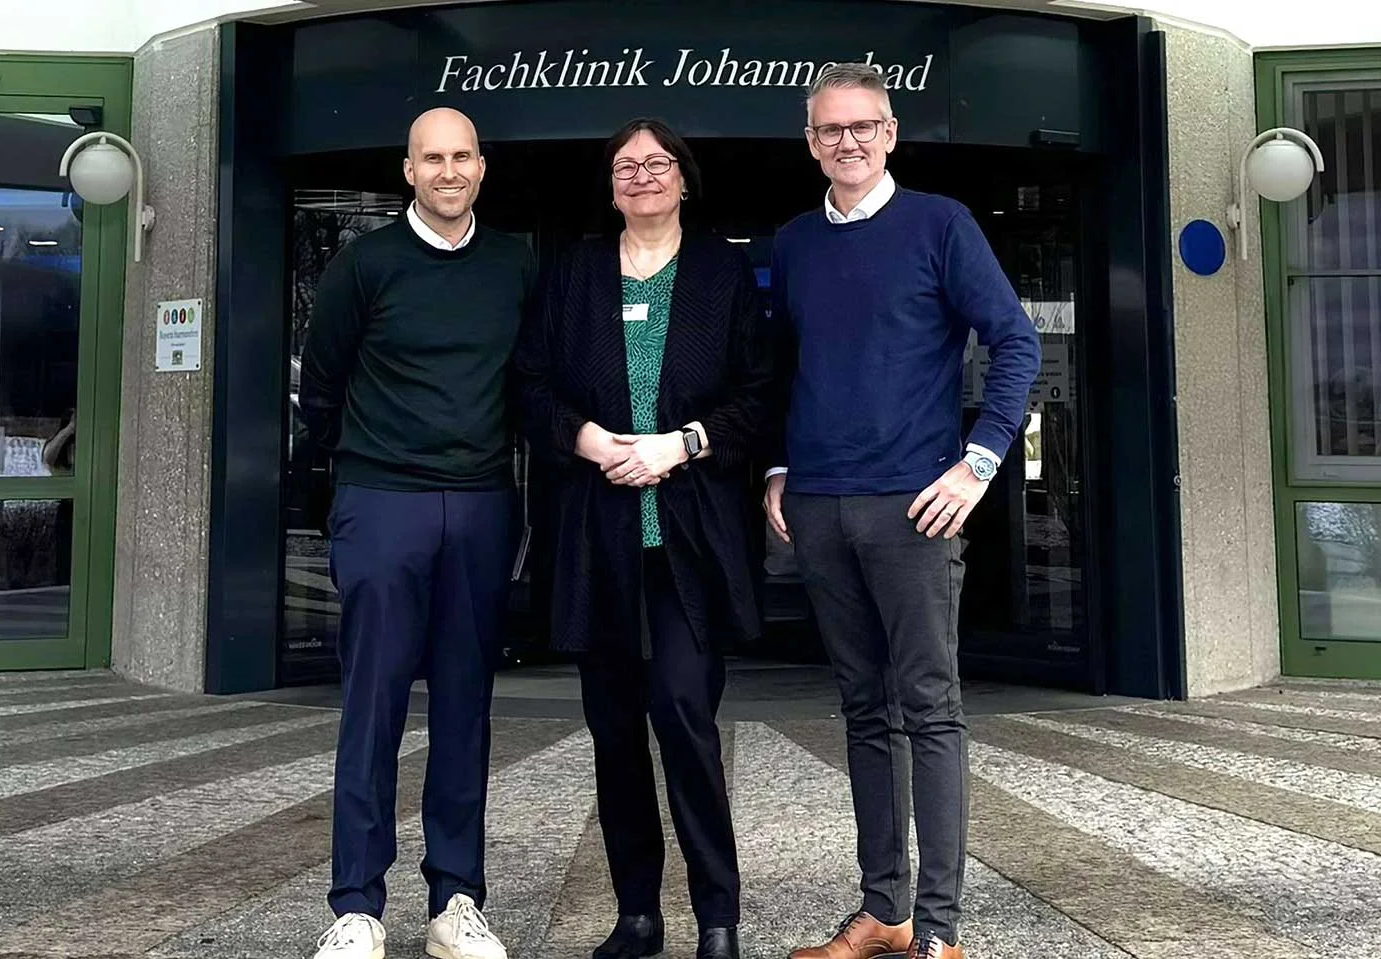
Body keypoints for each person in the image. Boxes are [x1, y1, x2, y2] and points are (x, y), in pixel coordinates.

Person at [763, 64, 1042, 959]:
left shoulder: (940, 224)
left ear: (890, 134)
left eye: (863, 126)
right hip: (818, 505)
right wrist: (779, 468)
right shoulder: (795, 243)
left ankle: (941, 931)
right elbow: (782, 366)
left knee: (929, 707)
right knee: (862, 708)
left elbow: (1016, 341)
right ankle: (884, 909)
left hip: (916, 509)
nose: (847, 141)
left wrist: (978, 464)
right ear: (812, 143)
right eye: (830, 129)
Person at [514, 117, 772, 959]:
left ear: (684, 178)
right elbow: (531, 385)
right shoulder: (574, 273)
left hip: (689, 539)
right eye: (626, 165)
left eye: (658, 163)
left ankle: (718, 917)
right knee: (614, 726)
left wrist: (682, 444)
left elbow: (757, 394)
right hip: (599, 538)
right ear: (611, 184)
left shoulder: (723, 272)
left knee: (684, 712)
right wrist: (589, 439)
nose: (643, 175)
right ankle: (637, 914)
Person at [301, 106, 534, 959]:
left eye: (462, 156)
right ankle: (356, 906)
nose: (448, 171)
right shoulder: (364, 264)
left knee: (466, 708)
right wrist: (347, 483)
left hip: (480, 503)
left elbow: (528, 383)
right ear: (408, 170)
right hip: (382, 500)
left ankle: (455, 902)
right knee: (373, 704)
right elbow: (322, 386)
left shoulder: (514, 263)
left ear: (482, 166)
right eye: (432, 158)